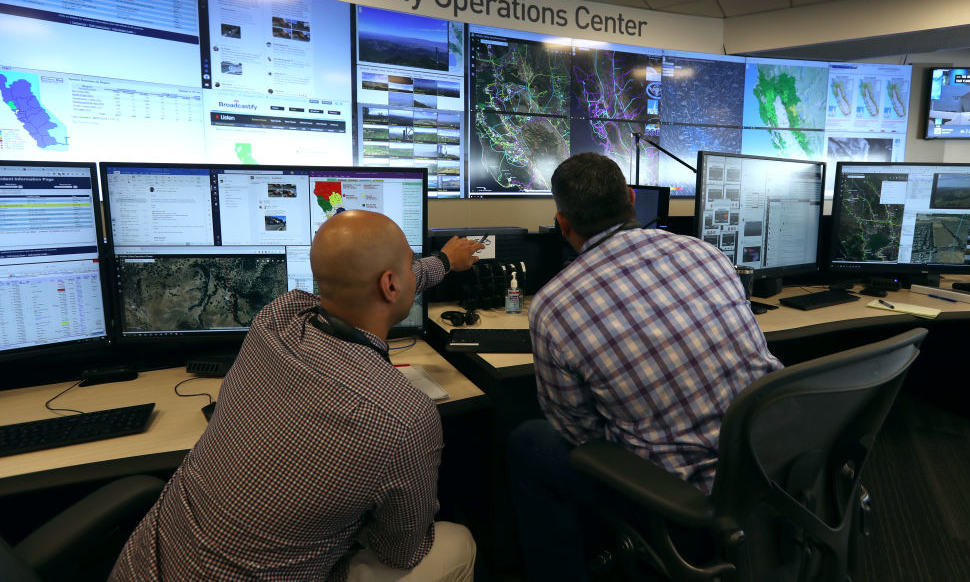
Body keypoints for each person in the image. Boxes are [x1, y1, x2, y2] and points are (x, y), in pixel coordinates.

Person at [112, 211, 484, 581]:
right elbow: (400, 551)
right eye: (409, 265)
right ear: (391, 284)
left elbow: (376, 281)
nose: (412, 272)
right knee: (456, 543)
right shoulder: (405, 417)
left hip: (143, 565)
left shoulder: (274, 321)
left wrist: (443, 263)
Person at [507, 153, 782, 582]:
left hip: (681, 499)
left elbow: (579, 434)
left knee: (529, 442)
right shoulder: (706, 254)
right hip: (768, 462)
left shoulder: (552, 306)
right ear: (631, 199)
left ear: (563, 224)